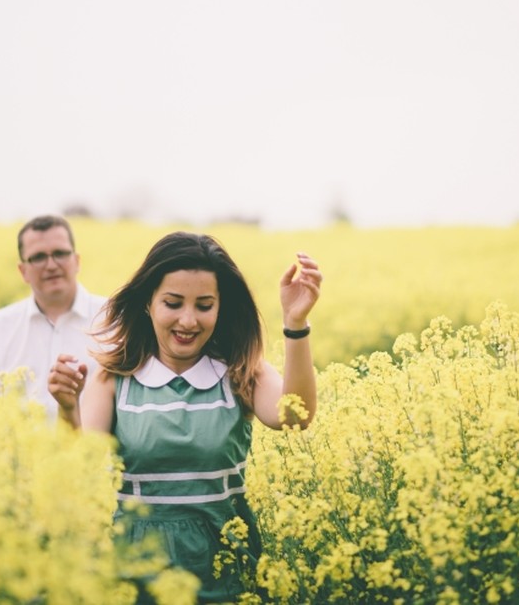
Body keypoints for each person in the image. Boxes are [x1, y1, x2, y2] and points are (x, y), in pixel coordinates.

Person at [48, 231, 322, 602]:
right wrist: (68, 408)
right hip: (135, 568)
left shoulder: (242, 371)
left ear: (221, 308)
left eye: (204, 305)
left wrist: (295, 322)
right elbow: (83, 467)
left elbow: (294, 416)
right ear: (149, 303)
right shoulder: (113, 378)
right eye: (173, 303)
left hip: (226, 563)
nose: (188, 321)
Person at [0, 214, 107, 418]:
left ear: (77, 261)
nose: (51, 265)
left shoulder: (114, 318)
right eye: (39, 257)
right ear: (23, 271)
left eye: (60, 253)